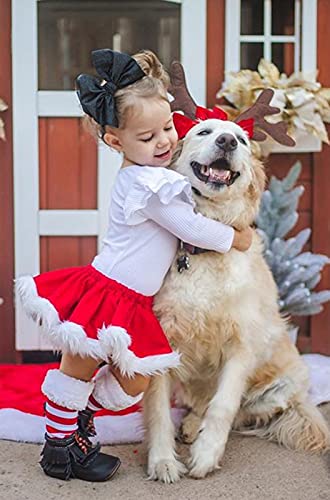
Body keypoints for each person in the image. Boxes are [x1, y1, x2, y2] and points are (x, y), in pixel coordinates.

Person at [16, 49, 253, 483]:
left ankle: (78, 419)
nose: (164, 142)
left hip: (133, 301)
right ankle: (60, 448)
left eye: (168, 129)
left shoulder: (160, 175)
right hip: (106, 293)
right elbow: (191, 227)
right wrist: (237, 238)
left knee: (134, 380)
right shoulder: (145, 183)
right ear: (115, 141)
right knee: (79, 367)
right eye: (148, 137)